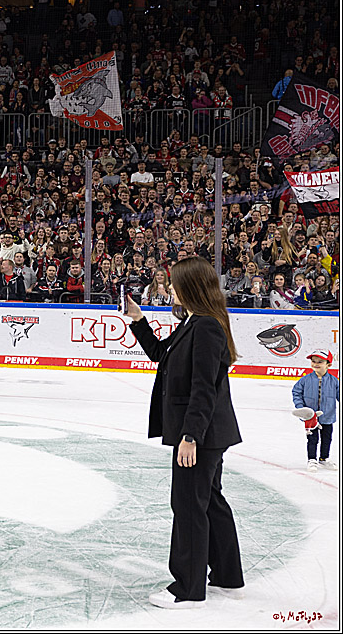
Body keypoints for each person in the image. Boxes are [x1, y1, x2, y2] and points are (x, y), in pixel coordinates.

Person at [123, 256, 244, 609]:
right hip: (210, 431)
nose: (170, 287)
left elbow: (204, 387)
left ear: (190, 285)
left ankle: (188, 589)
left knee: (188, 504)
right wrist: (138, 320)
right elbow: (161, 354)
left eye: (174, 282)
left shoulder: (205, 326)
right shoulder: (195, 321)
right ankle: (227, 575)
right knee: (210, 500)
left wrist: (190, 436)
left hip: (201, 433)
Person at [292, 350, 338, 472]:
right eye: (313, 361)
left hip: (328, 416)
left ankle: (324, 458)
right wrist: (301, 408)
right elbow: (296, 392)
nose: (316, 364)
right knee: (312, 439)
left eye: (320, 362)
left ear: (328, 364)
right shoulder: (305, 380)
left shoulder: (334, 381)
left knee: (327, 438)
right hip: (311, 417)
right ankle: (312, 459)